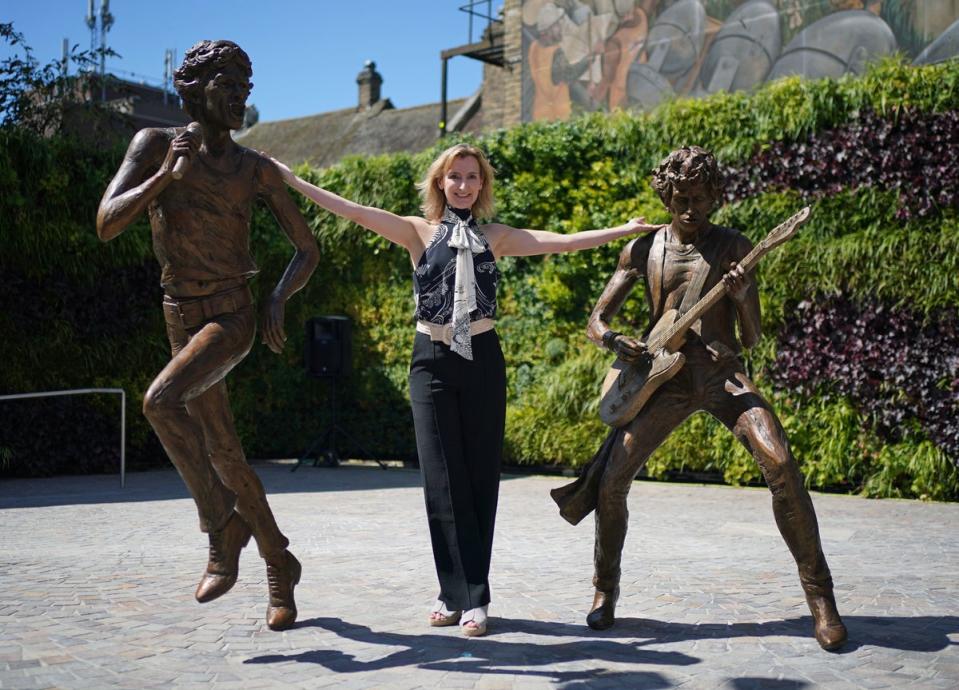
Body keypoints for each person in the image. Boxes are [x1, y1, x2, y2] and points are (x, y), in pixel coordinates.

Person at [272, 143, 655, 636]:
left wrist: (622, 231)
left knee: (478, 482)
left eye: (473, 177)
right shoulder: (417, 231)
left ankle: (473, 598)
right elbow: (351, 209)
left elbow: (559, 241)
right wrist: (294, 181)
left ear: (482, 185)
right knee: (441, 480)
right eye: (455, 176)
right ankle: (454, 592)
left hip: (483, 361)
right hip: (430, 363)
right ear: (440, 181)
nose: (464, 185)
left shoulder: (494, 237)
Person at [550, 145, 848, 650]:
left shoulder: (734, 245)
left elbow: (752, 338)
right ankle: (605, 591)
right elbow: (595, 321)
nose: (691, 208)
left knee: (781, 466)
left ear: (715, 197)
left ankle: (822, 600)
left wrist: (741, 294)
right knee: (611, 480)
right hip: (663, 378)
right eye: (682, 197)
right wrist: (616, 340)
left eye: (701, 198)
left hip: (722, 375)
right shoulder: (642, 250)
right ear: (666, 194)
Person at [96, 40, 319, 631]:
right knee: (223, 450)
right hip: (179, 313)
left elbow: (308, 249)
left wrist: (275, 298)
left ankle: (221, 526)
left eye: (247, 88)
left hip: (231, 314)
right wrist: (165, 179)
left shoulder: (256, 169)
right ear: (193, 92)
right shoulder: (153, 147)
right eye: (229, 86)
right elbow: (106, 222)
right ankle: (279, 562)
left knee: (159, 402)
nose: (241, 97)